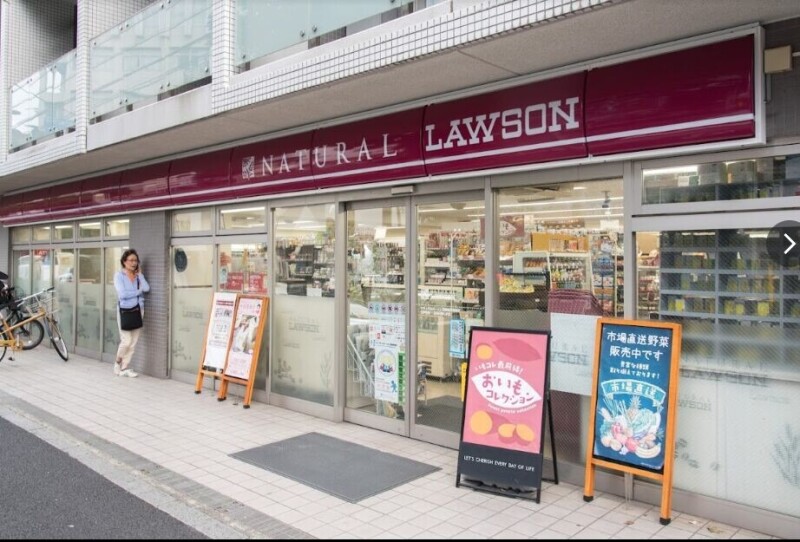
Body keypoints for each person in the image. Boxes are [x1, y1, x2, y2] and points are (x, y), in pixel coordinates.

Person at [113, 249, 150, 377]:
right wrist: (138, 292)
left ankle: (125, 368)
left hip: (138, 310)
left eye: (136, 260)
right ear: (124, 262)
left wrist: (140, 275)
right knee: (126, 341)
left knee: (133, 343)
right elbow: (122, 295)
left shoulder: (138, 276)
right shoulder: (119, 276)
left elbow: (146, 288)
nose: (134, 263)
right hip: (125, 311)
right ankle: (117, 362)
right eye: (131, 260)